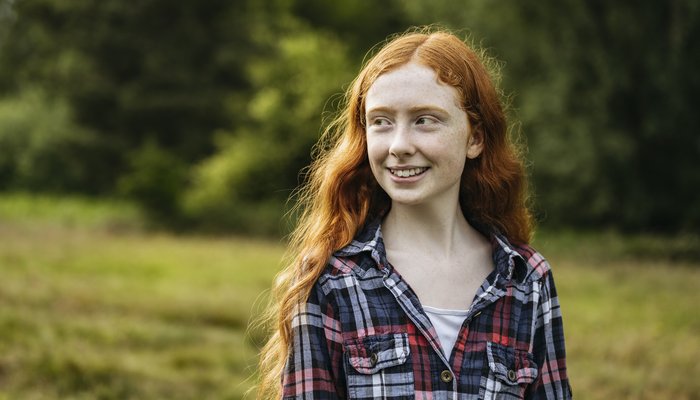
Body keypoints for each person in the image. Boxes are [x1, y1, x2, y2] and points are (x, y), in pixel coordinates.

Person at [257, 27, 572, 399]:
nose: (399, 145)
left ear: (475, 138)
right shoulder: (329, 280)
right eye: (381, 121)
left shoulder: (527, 280)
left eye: (425, 119)